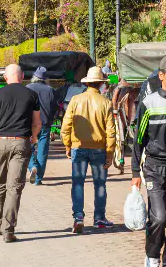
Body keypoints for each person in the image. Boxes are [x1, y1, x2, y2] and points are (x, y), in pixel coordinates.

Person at [0, 63, 41, 243]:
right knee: (14, 187)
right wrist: (33, 137)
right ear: (22, 76)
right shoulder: (32, 95)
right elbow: (37, 123)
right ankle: (8, 230)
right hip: (21, 143)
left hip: (0, 142)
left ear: (6, 78)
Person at [60, 66, 116, 234]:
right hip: (99, 149)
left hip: (79, 147)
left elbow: (66, 126)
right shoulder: (106, 102)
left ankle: (78, 217)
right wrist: (110, 153)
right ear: (100, 84)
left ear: (88, 83)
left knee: (78, 183)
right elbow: (111, 131)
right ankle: (99, 218)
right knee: (100, 185)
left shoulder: (75, 100)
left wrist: (67, 145)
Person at [132, 57, 166, 267]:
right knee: (160, 217)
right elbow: (138, 139)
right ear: (161, 75)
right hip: (154, 167)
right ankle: (152, 256)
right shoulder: (149, 103)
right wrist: (136, 172)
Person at [27, 66, 58, 186]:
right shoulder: (50, 90)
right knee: (43, 150)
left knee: (28, 147)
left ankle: (32, 166)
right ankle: (38, 178)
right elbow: (55, 108)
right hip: (45, 123)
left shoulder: (28, 88)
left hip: (30, 123)